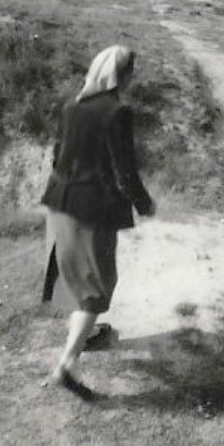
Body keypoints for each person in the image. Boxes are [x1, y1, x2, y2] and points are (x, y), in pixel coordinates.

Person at [40, 45, 155, 400]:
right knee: (98, 283)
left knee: (72, 271)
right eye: (131, 73)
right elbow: (124, 169)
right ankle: (67, 364)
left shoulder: (72, 106)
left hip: (60, 200)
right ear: (122, 76)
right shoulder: (117, 111)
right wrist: (143, 202)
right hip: (92, 208)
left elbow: (56, 155)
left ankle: (85, 335)